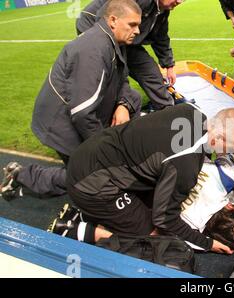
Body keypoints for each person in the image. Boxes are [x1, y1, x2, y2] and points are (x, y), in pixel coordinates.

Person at [48, 104, 234, 254]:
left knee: (154, 199)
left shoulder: (191, 111)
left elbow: (182, 149)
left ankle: (95, 215)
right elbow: (165, 219)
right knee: (157, 240)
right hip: (92, 184)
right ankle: (81, 230)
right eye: (232, 147)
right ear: (219, 138)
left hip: (92, 152)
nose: (233, 153)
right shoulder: (184, 166)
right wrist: (207, 243)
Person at [0, 0, 143, 200]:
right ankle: (21, 177)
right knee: (91, 178)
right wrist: (106, 149)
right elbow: (82, 113)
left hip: (73, 116)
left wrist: (123, 105)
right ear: (113, 20)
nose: (137, 31)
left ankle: (23, 178)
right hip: (61, 122)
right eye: (132, 25)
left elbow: (122, 80)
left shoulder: (112, 41)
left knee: (97, 173)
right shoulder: (94, 50)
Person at [77, 0, 183, 110]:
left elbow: (161, 37)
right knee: (113, 73)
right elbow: (106, 16)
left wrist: (169, 65)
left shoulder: (162, 11)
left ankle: (167, 109)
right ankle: (112, 111)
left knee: (149, 70)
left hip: (126, 38)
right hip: (97, 27)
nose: (179, 1)